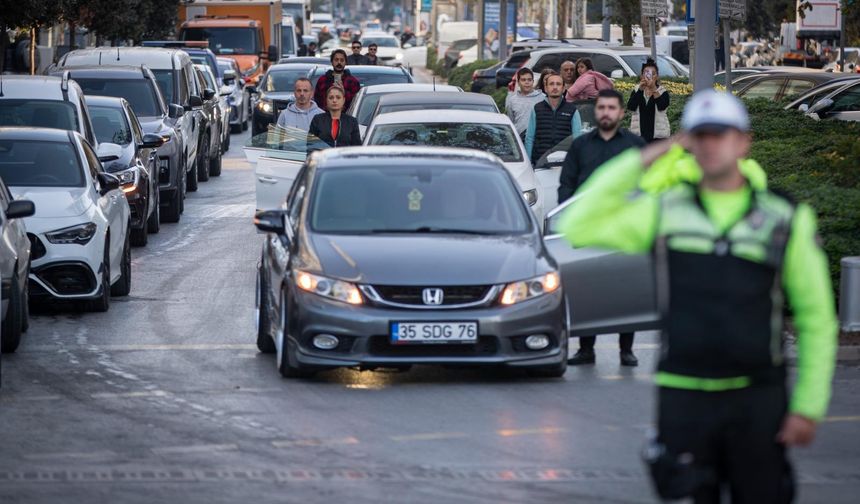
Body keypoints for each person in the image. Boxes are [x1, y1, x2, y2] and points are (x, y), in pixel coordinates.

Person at [558, 90, 837, 503]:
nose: (708, 144)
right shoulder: (666, 211)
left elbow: (816, 319)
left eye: (719, 134)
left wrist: (808, 406)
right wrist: (654, 153)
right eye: (699, 135)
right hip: (683, 395)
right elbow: (579, 224)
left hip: (756, 396)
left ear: (744, 142)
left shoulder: (784, 218)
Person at [559, 88, 645, 367]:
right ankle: (586, 349)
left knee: (627, 291)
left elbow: (650, 185)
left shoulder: (635, 146)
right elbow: (567, 185)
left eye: (611, 108)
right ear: (596, 112)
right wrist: (566, 219)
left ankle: (626, 350)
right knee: (587, 289)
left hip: (624, 230)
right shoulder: (581, 145)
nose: (606, 112)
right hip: (589, 230)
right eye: (601, 108)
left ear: (621, 113)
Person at [524, 71, 582, 165]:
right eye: (551, 84)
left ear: (563, 88)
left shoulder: (572, 110)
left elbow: (577, 139)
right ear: (546, 88)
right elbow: (529, 138)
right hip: (540, 163)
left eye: (558, 84)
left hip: (564, 164)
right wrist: (528, 163)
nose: (555, 87)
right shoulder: (536, 109)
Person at [627, 59, 670, 143]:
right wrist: (640, 89)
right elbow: (631, 107)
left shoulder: (662, 91)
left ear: (657, 76)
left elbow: (662, 107)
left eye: (653, 74)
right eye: (646, 73)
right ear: (642, 75)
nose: (649, 76)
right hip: (639, 136)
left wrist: (654, 88)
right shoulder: (636, 90)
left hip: (658, 137)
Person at [505, 67, 544, 139]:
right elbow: (511, 122)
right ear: (518, 82)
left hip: (538, 138)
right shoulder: (512, 100)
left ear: (533, 81)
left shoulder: (542, 98)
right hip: (518, 138)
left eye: (529, 80)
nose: (527, 82)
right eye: (523, 80)